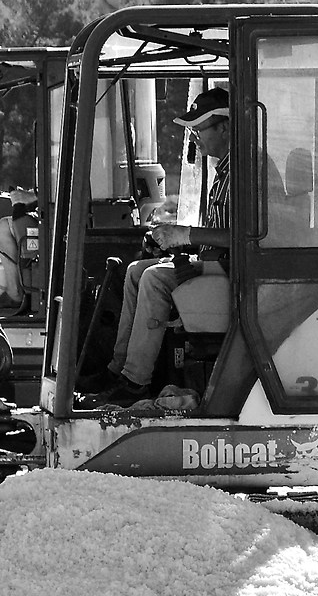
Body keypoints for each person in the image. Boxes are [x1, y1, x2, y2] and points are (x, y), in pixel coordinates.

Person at [80, 85, 233, 406]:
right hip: (217, 266)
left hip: (238, 278)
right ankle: (117, 371)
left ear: (224, 126)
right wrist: (179, 244)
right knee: (137, 271)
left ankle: (136, 382)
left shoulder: (245, 173)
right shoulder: (225, 172)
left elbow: (245, 236)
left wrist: (187, 235)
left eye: (199, 129)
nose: (195, 138)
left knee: (155, 279)